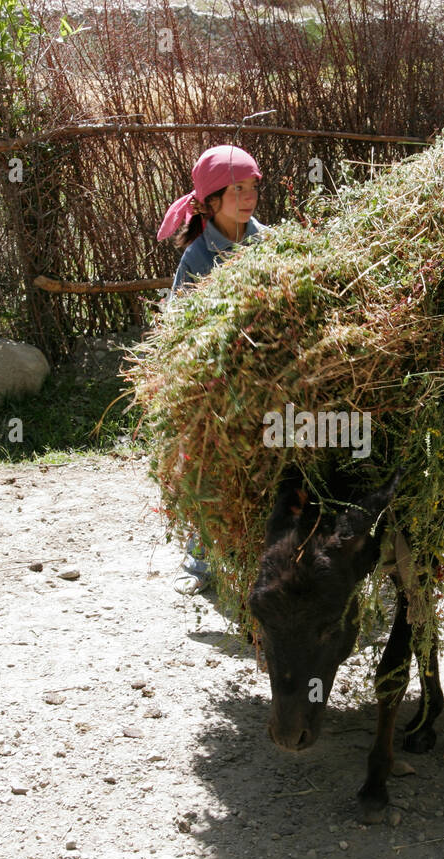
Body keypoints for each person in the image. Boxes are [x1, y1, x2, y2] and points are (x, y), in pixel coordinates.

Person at [157, 144, 267, 593]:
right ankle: (202, 558)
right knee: (206, 461)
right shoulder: (198, 258)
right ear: (211, 202)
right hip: (216, 381)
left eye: (252, 188)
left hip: (267, 375)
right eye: (236, 190)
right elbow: (178, 326)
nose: (247, 198)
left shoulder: (270, 242)